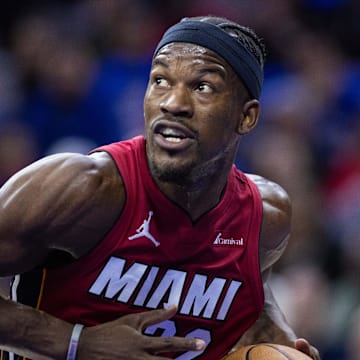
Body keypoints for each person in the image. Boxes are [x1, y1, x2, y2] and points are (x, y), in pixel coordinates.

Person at [0, 15, 320, 360]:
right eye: (160, 81)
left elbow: (248, 292)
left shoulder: (265, 216)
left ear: (247, 117)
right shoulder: (79, 188)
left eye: (203, 87)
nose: (173, 103)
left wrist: (276, 335)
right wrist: (78, 342)